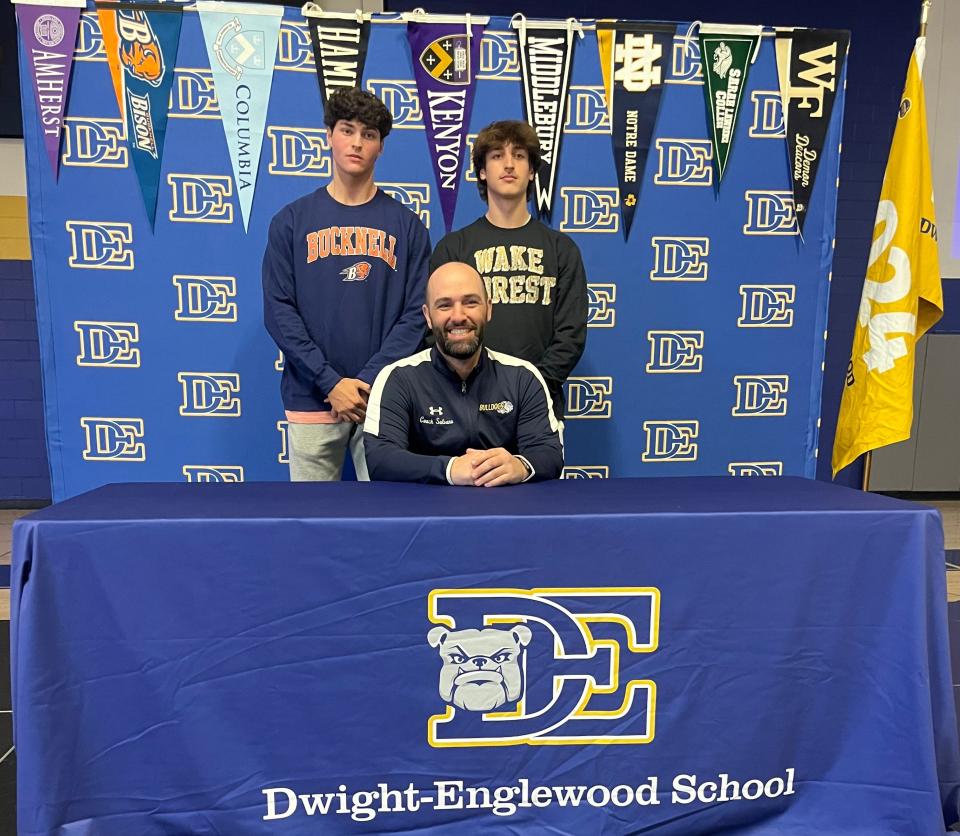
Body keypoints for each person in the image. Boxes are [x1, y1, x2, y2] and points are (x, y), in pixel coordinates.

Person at [262, 87, 430, 481]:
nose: (357, 142)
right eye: (347, 129)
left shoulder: (407, 226)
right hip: (311, 395)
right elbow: (279, 310)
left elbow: (416, 315)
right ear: (328, 136)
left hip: (384, 397)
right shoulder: (291, 221)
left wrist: (368, 381)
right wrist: (330, 381)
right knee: (311, 526)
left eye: (369, 134)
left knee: (388, 521)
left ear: (381, 147)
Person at [429, 120, 587, 419]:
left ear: (531, 171)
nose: (509, 164)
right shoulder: (454, 248)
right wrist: (466, 382)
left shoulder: (561, 250)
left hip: (539, 405)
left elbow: (571, 335)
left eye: (519, 155)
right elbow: (434, 329)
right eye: (497, 155)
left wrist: (531, 387)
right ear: (483, 171)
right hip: (465, 404)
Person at [363, 262, 564, 485]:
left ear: (488, 308)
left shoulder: (522, 377)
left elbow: (550, 454)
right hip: (423, 515)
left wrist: (521, 465)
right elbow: (380, 459)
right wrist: (450, 469)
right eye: (444, 305)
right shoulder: (398, 378)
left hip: (505, 513)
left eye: (470, 302)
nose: (458, 316)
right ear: (427, 316)